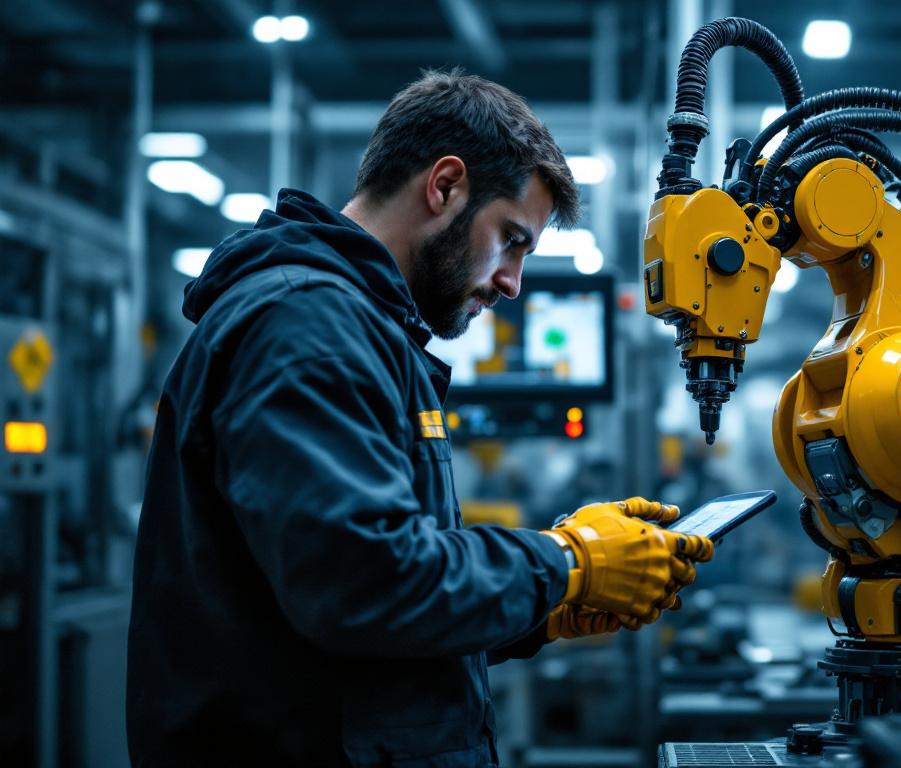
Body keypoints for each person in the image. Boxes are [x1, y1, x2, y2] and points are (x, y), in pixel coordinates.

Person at [126, 69, 714, 767]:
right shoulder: (307, 324)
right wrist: (566, 561)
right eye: (512, 240)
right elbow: (362, 583)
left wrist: (543, 609)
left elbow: (358, 613)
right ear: (445, 187)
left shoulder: (357, 329)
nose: (511, 282)